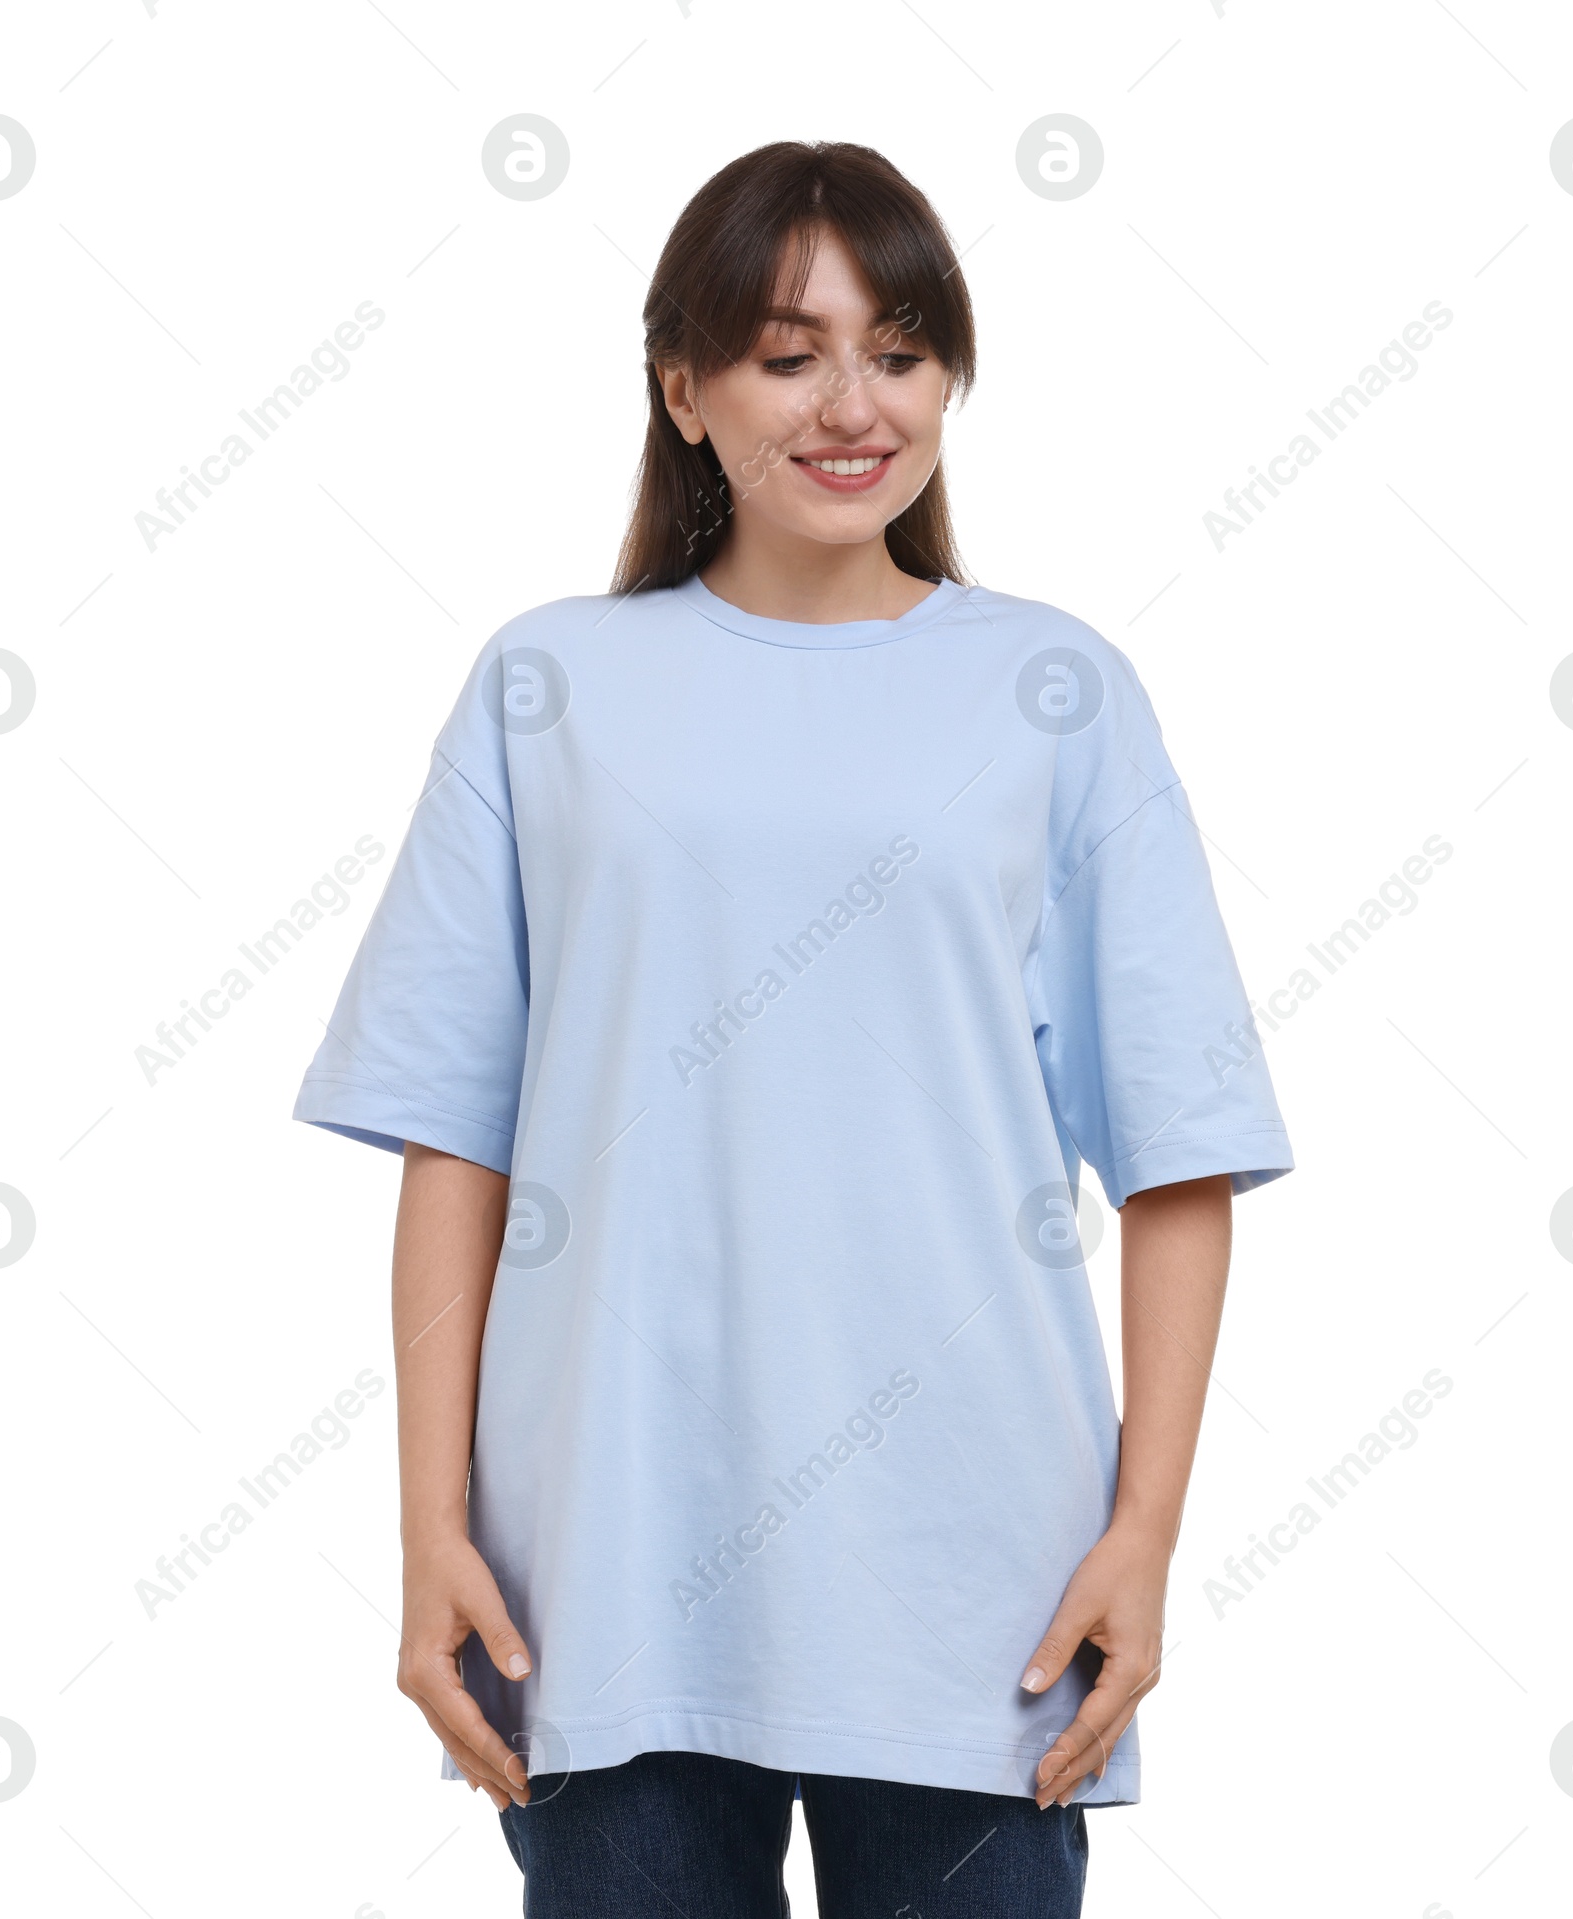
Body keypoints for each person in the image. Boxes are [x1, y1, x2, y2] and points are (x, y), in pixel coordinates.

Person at [294, 140, 1293, 1918]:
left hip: (981, 1583)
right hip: (600, 1565)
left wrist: (1144, 1538)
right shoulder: (551, 688)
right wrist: (428, 1531)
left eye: (900, 351)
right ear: (682, 388)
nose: (854, 404)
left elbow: (1182, 1152)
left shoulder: (1055, 694)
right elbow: (460, 1136)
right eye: (787, 352)